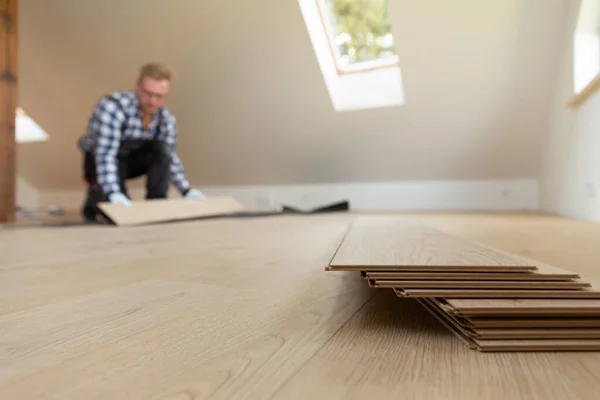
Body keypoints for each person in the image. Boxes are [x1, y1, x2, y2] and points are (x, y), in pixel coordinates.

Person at [76, 62, 205, 221]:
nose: (152, 101)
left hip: (130, 161)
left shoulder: (166, 120)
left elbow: (168, 158)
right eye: (147, 93)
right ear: (137, 87)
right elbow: (105, 154)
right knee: (116, 216)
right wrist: (112, 193)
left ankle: (156, 204)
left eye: (159, 96)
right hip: (100, 161)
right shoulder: (113, 107)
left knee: (161, 148)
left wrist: (186, 190)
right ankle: (95, 197)